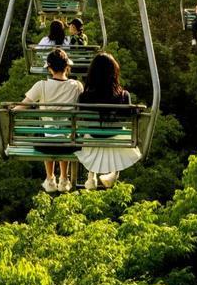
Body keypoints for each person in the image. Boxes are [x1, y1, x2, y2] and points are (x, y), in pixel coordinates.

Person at [18, 48, 83, 192]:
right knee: (66, 134)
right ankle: (64, 178)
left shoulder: (41, 85)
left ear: (49, 68)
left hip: (46, 144)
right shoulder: (77, 86)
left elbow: (21, 106)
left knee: (47, 134)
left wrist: (10, 109)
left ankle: (50, 177)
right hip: (69, 145)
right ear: (67, 66)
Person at [75, 52, 141, 190]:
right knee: (124, 133)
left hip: (92, 137)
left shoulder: (84, 97)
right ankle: (114, 174)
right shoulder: (123, 95)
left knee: (88, 134)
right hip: (115, 137)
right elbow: (129, 117)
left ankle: (91, 175)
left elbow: (81, 118)